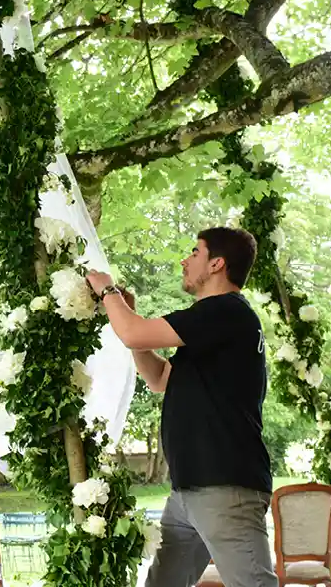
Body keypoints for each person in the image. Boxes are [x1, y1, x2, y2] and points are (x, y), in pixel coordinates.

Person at [86, 226, 276, 587]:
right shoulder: (212, 326)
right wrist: (130, 318)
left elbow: (132, 331)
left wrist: (108, 290)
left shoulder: (225, 311)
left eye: (195, 252)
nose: (184, 260)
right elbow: (159, 379)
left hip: (224, 486)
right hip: (188, 491)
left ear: (217, 264)